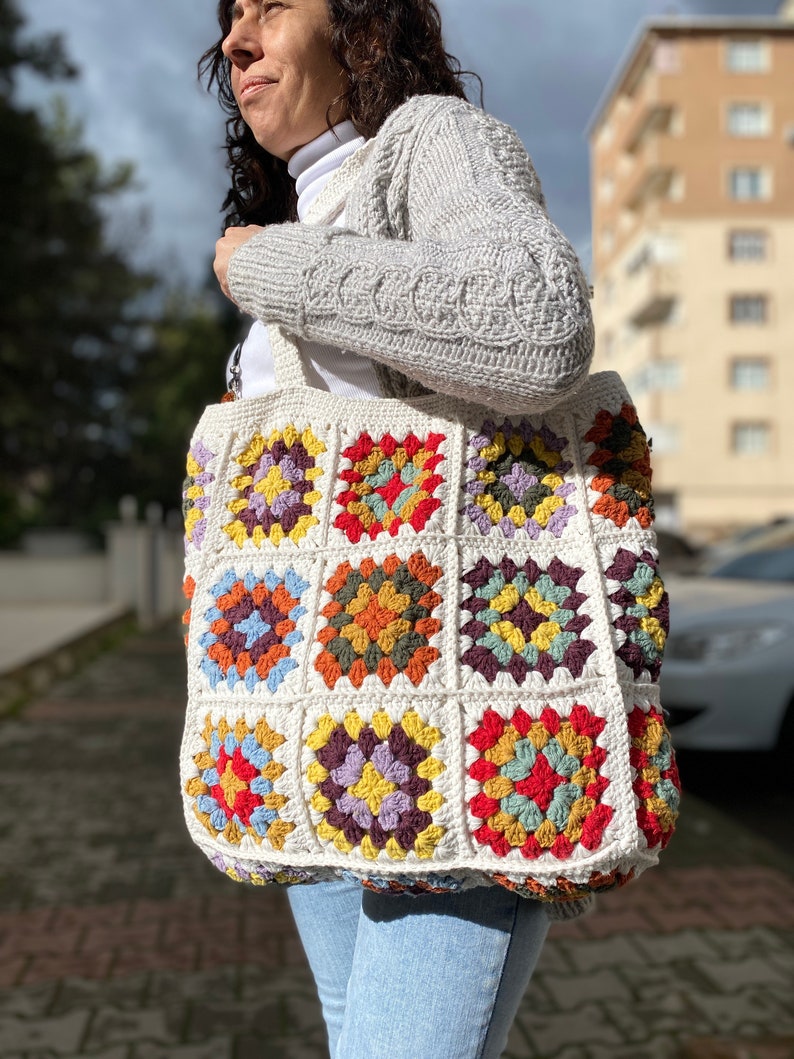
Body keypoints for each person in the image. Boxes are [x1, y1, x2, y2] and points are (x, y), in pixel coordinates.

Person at [203, 2, 595, 1056]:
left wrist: (263, 269)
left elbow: (535, 323)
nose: (238, 39)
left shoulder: (434, 141)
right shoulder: (304, 201)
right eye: (230, 15)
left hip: (454, 698)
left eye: (272, 5)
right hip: (313, 714)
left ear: (363, 25)